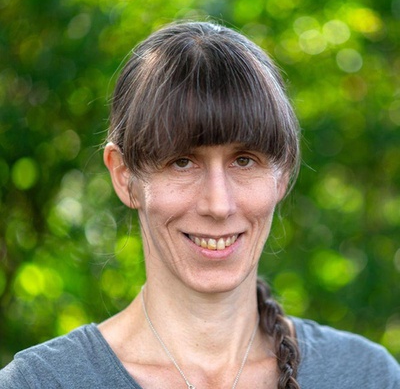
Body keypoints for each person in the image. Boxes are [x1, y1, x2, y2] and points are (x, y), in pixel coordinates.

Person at [1, 21, 399, 389]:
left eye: (244, 160)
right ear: (124, 176)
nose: (218, 205)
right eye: (182, 162)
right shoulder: (40, 382)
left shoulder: (367, 377)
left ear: (283, 175)